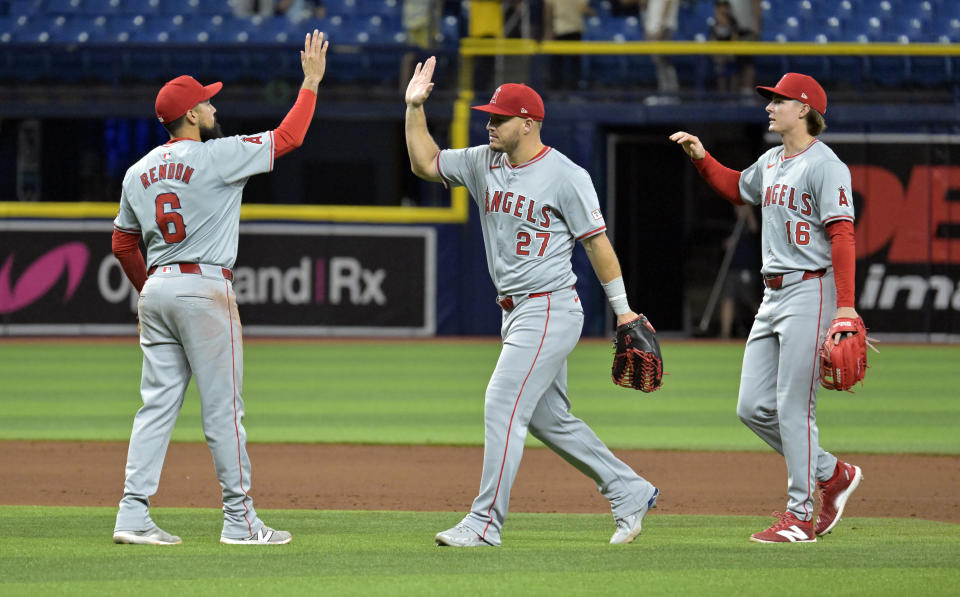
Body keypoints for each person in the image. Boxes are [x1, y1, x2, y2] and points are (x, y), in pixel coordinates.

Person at [404, 57, 660, 547]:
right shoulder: (483, 161)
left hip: (549, 306)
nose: (490, 123)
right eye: (489, 116)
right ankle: (629, 489)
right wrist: (414, 107)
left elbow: (597, 243)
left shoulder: (566, 175)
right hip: (517, 311)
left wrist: (624, 310)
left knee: (502, 402)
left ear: (528, 122)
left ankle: (484, 524)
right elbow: (425, 162)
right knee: (549, 419)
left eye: (499, 117)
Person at [110, 30, 329, 546]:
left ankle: (132, 513)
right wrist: (312, 82)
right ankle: (239, 519)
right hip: (204, 288)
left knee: (156, 405)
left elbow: (122, 244)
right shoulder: (218, 155)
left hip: (159, 286)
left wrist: (147, 291)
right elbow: (289, 137)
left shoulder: (137, 172)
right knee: (223, 409)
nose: (213, 105)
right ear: (191, 115)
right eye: (206, 101)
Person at [669, 73, 864, 543]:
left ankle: (800, 516)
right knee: (752, 406)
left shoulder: (826, 165)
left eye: (777, 100)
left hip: (810, 289)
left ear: (804, 109)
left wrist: (846, 308)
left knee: (793, 408)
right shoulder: (773, 160)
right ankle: (832, 473)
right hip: (773, 294)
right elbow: (738, 188)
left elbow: (841, 235)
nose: (769, 107)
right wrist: (701, 158)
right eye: (770, 100)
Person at [719, 204, 761, 338]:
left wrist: (748, 213)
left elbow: (755, 229)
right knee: (727, 297)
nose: (738, 210)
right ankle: (725, 333)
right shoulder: (733, 225)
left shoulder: (750, 223)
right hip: (733, 268)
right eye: (736, 207)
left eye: (741, 207)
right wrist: (727, 243)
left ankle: (769, 327)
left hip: (748, 269)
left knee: (751, 301)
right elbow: (725, 242)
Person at [543, 0, 595, 90]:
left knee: (559, 62)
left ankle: (558, 88)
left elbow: (548, 10)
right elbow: (583, 9)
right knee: (572, 62)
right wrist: (594, 13)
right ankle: (570, 88)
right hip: (572, 30)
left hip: (561, 29)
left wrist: (548, 29)